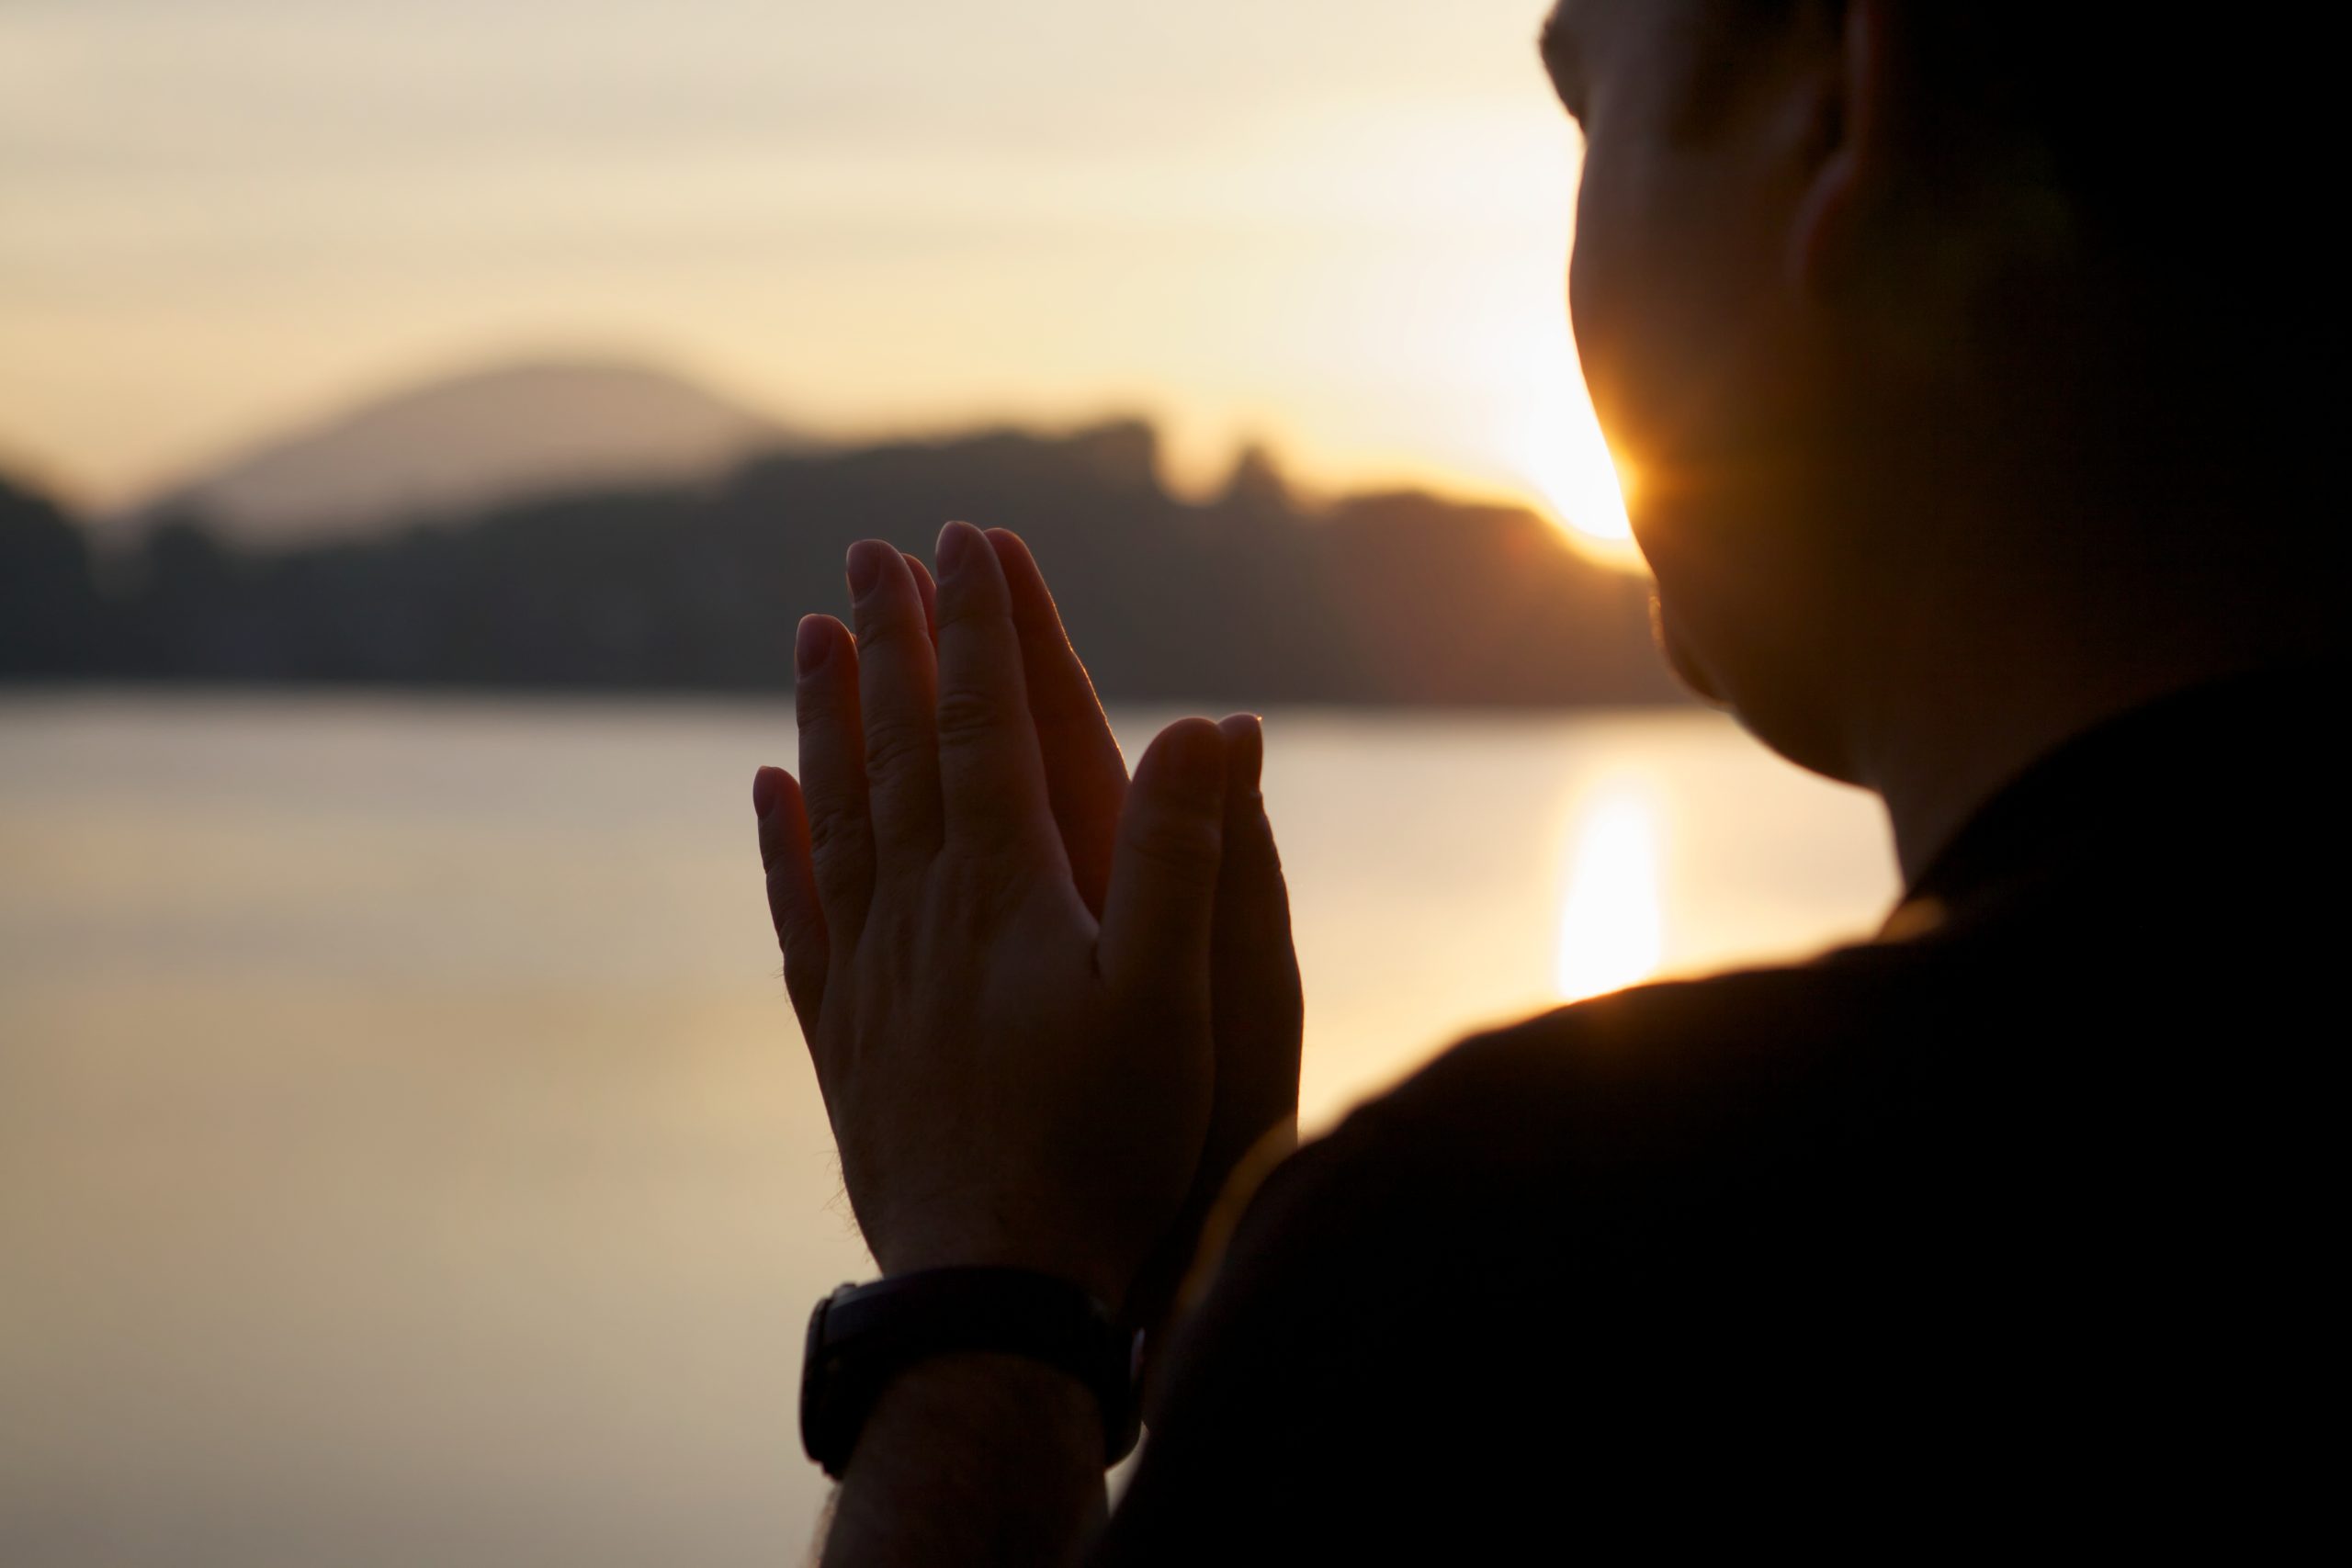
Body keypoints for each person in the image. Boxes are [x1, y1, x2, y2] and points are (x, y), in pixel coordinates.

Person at [750, 2, 2341, 1560]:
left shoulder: (1561, 1272)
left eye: (1592, 109)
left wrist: (994, 1293)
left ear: (1840, 110)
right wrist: (1228, 1296)